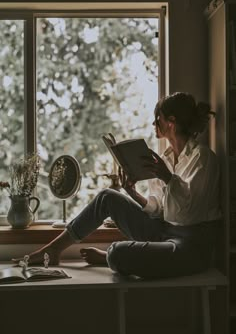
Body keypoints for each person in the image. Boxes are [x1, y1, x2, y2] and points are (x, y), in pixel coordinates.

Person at [13, 92, 222, 279]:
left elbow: (189, 211)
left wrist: (168, 178)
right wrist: (132, 193)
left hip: (191, 245)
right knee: (107, 196)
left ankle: (108, 257)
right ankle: (54, 249)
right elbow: (159, 210)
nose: (153, 124)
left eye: (157, 119)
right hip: (164, 231)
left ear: (171, 122)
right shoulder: (165, 160)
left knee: (118, 253)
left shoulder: (203, 158)